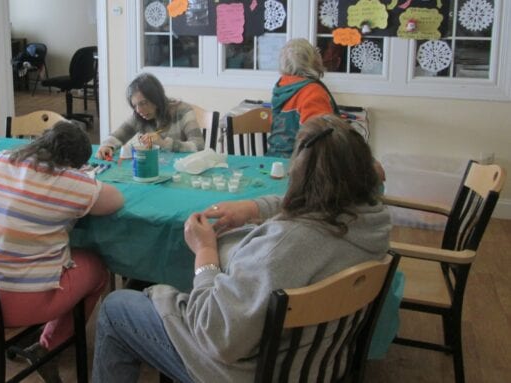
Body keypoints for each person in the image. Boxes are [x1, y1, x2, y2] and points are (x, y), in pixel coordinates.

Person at [92, 114, 391, 382]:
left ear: (301, 177)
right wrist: (252, 208)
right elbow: (318, 205)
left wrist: (205, 253)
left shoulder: (286, 246)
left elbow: (217, 338)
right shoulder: (373, 220)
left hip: (246, 370)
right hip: (319, 364)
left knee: (116, 308)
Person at [0, 121, 124, 383]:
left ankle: (45, 334)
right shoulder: (69, 182)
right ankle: (49, 345)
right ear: (73, 163)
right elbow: (115, 201)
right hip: (11, 304)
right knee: (96, 268)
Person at [96, 73, 204, 160]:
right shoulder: (138, 116)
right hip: (153, 169)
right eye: (135, 105)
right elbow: (117, 136)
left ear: (156, 99)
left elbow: (199, 146)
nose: (139, 110)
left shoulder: (183, 111)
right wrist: (107, 146)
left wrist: (164, 143)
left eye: (143, 103)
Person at [267, 38, 339, 158]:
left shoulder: (281, 87)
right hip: (300, 164)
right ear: (314, 60)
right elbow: (322, 137)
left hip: (274, 159)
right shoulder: (313, 92)